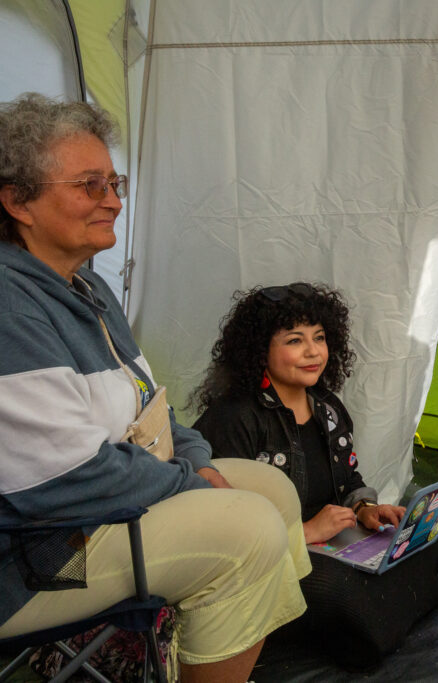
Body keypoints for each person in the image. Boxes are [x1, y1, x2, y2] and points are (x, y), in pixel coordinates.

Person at [0, 93, 311, 683]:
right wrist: (188, 482)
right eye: (90, 185)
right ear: (18, 201)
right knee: (246, 530)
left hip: (94, 514)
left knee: (270, 488)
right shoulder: (9, 305)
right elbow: (63, 481)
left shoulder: (85, 291)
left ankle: (217, 655)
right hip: (35, 556)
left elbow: (153, 409)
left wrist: (192, 460)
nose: (114, 201)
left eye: (114, 182)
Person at [191, 283, 438, 669]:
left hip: (333, 542)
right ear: (259, 349)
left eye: (320, 338)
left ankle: (368, 623)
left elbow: (349, 479)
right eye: (295, 341)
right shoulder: (234, 418)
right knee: (345, 593)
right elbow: (221, 521)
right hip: (275, 556)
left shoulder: (327, 407)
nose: (313, 352)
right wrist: (306, 532)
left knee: (422, 546)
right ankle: (367, 624)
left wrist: (364, 508)